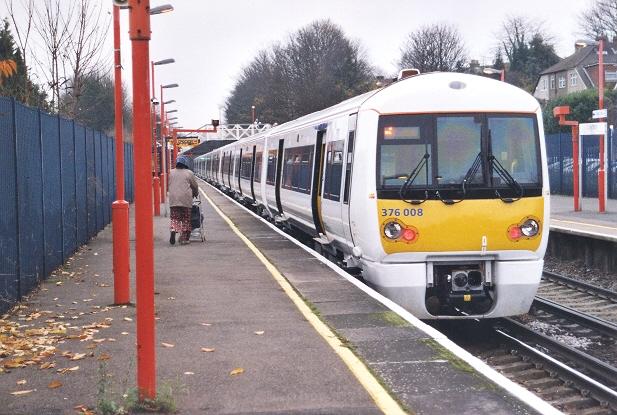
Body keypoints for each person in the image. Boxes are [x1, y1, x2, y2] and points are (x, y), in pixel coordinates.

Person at [168, 155, 198, 245]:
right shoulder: (189, 173)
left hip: (174, 199)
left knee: (175, 217)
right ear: (185, 164)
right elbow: (194, 186)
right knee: (186, 219)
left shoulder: (171, 172)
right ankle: (184, 239)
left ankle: (174, 228)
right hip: (186, 200)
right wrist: (196, 193)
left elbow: (168, 184)